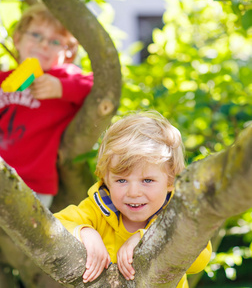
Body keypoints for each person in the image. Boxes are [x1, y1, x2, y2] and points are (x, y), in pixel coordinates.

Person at [0, 3, 93, 286]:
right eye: (36, 36)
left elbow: (96, 87)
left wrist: (60, 87)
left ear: (69, 53)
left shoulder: (65, 78)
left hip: (32, 186)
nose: (43, 45)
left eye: (55, 41)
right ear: (17, 39)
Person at [54, 111, 212, 286]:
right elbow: (52, 226)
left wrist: (148, 240)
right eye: (121, 180)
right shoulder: (98, 208)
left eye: (147, 180)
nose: (133, 192)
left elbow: (200, 258)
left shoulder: (178, 214)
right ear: (106, 179)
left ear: (170, 180)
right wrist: (85, 232)